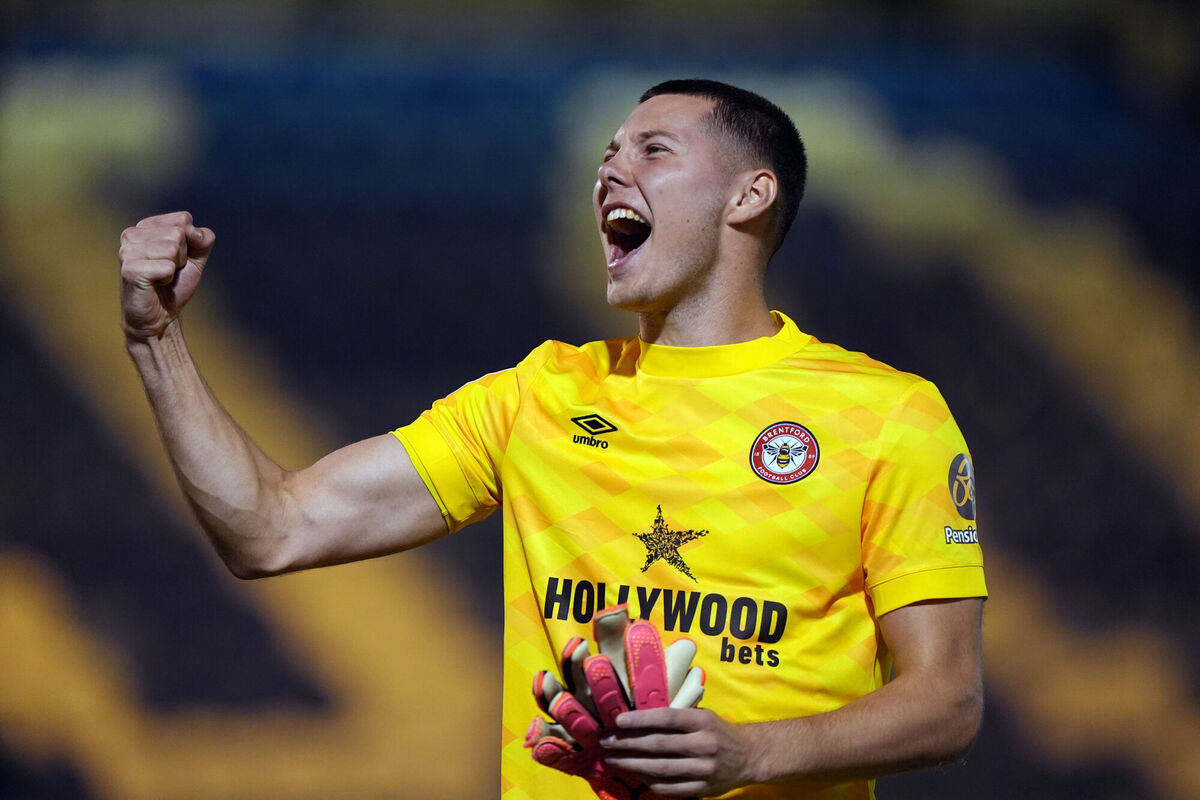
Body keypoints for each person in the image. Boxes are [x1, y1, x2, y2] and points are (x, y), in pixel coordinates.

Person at [119, 79, 985, 799]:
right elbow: (271, 529)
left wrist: (751, 754)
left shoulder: (886, 415)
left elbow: (947, 703)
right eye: (606, 154)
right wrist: (156, 340)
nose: (609, 171)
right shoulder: (541, 396)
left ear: (749, 195)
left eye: (652, 150)